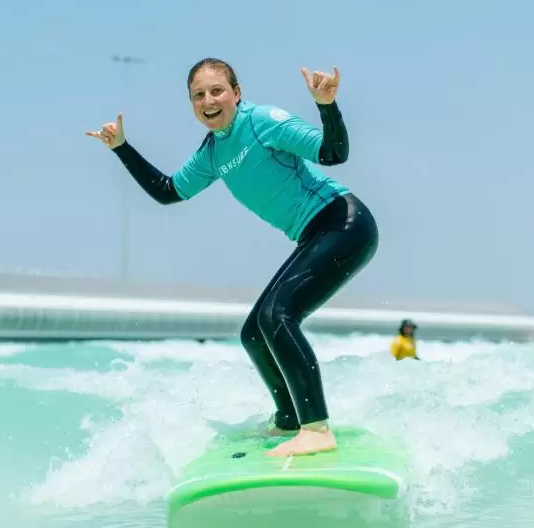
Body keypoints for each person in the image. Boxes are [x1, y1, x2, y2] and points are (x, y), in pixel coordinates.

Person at [85, 58, 379, 457]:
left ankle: (316, 428)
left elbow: (333, 153)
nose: (208, 100)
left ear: (236, 93)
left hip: (343, 223)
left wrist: (326, 105)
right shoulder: (212, 153)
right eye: (198, 95)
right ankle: (290, 420)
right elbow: (169, 191)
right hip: (315, 234)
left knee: (278, 316)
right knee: (254, 333)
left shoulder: (262, 121)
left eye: (217, 90)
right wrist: (121, 148)